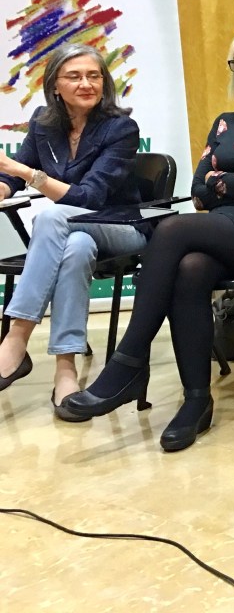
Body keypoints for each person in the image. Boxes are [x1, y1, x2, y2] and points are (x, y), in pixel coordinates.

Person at [63, 27, 234, 452]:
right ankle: (197, 400)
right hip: (220, 231)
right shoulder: (226, 122)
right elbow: (199, 192)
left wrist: (226, 179)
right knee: (190, 268)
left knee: (172, 227)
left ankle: (129, 361)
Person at [0, 43, 147, 419]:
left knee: (52, 218)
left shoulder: (121, 128)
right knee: (77, 246)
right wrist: (4, 185)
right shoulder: (44, 123)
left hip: (121, 228)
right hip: (77, 233)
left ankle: (16, 337)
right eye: (75, 76)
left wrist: (26, 174)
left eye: (94, 76)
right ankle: (66, 369)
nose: (86, 83)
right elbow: (15, 172)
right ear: (55, 86)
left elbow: (89, 198)